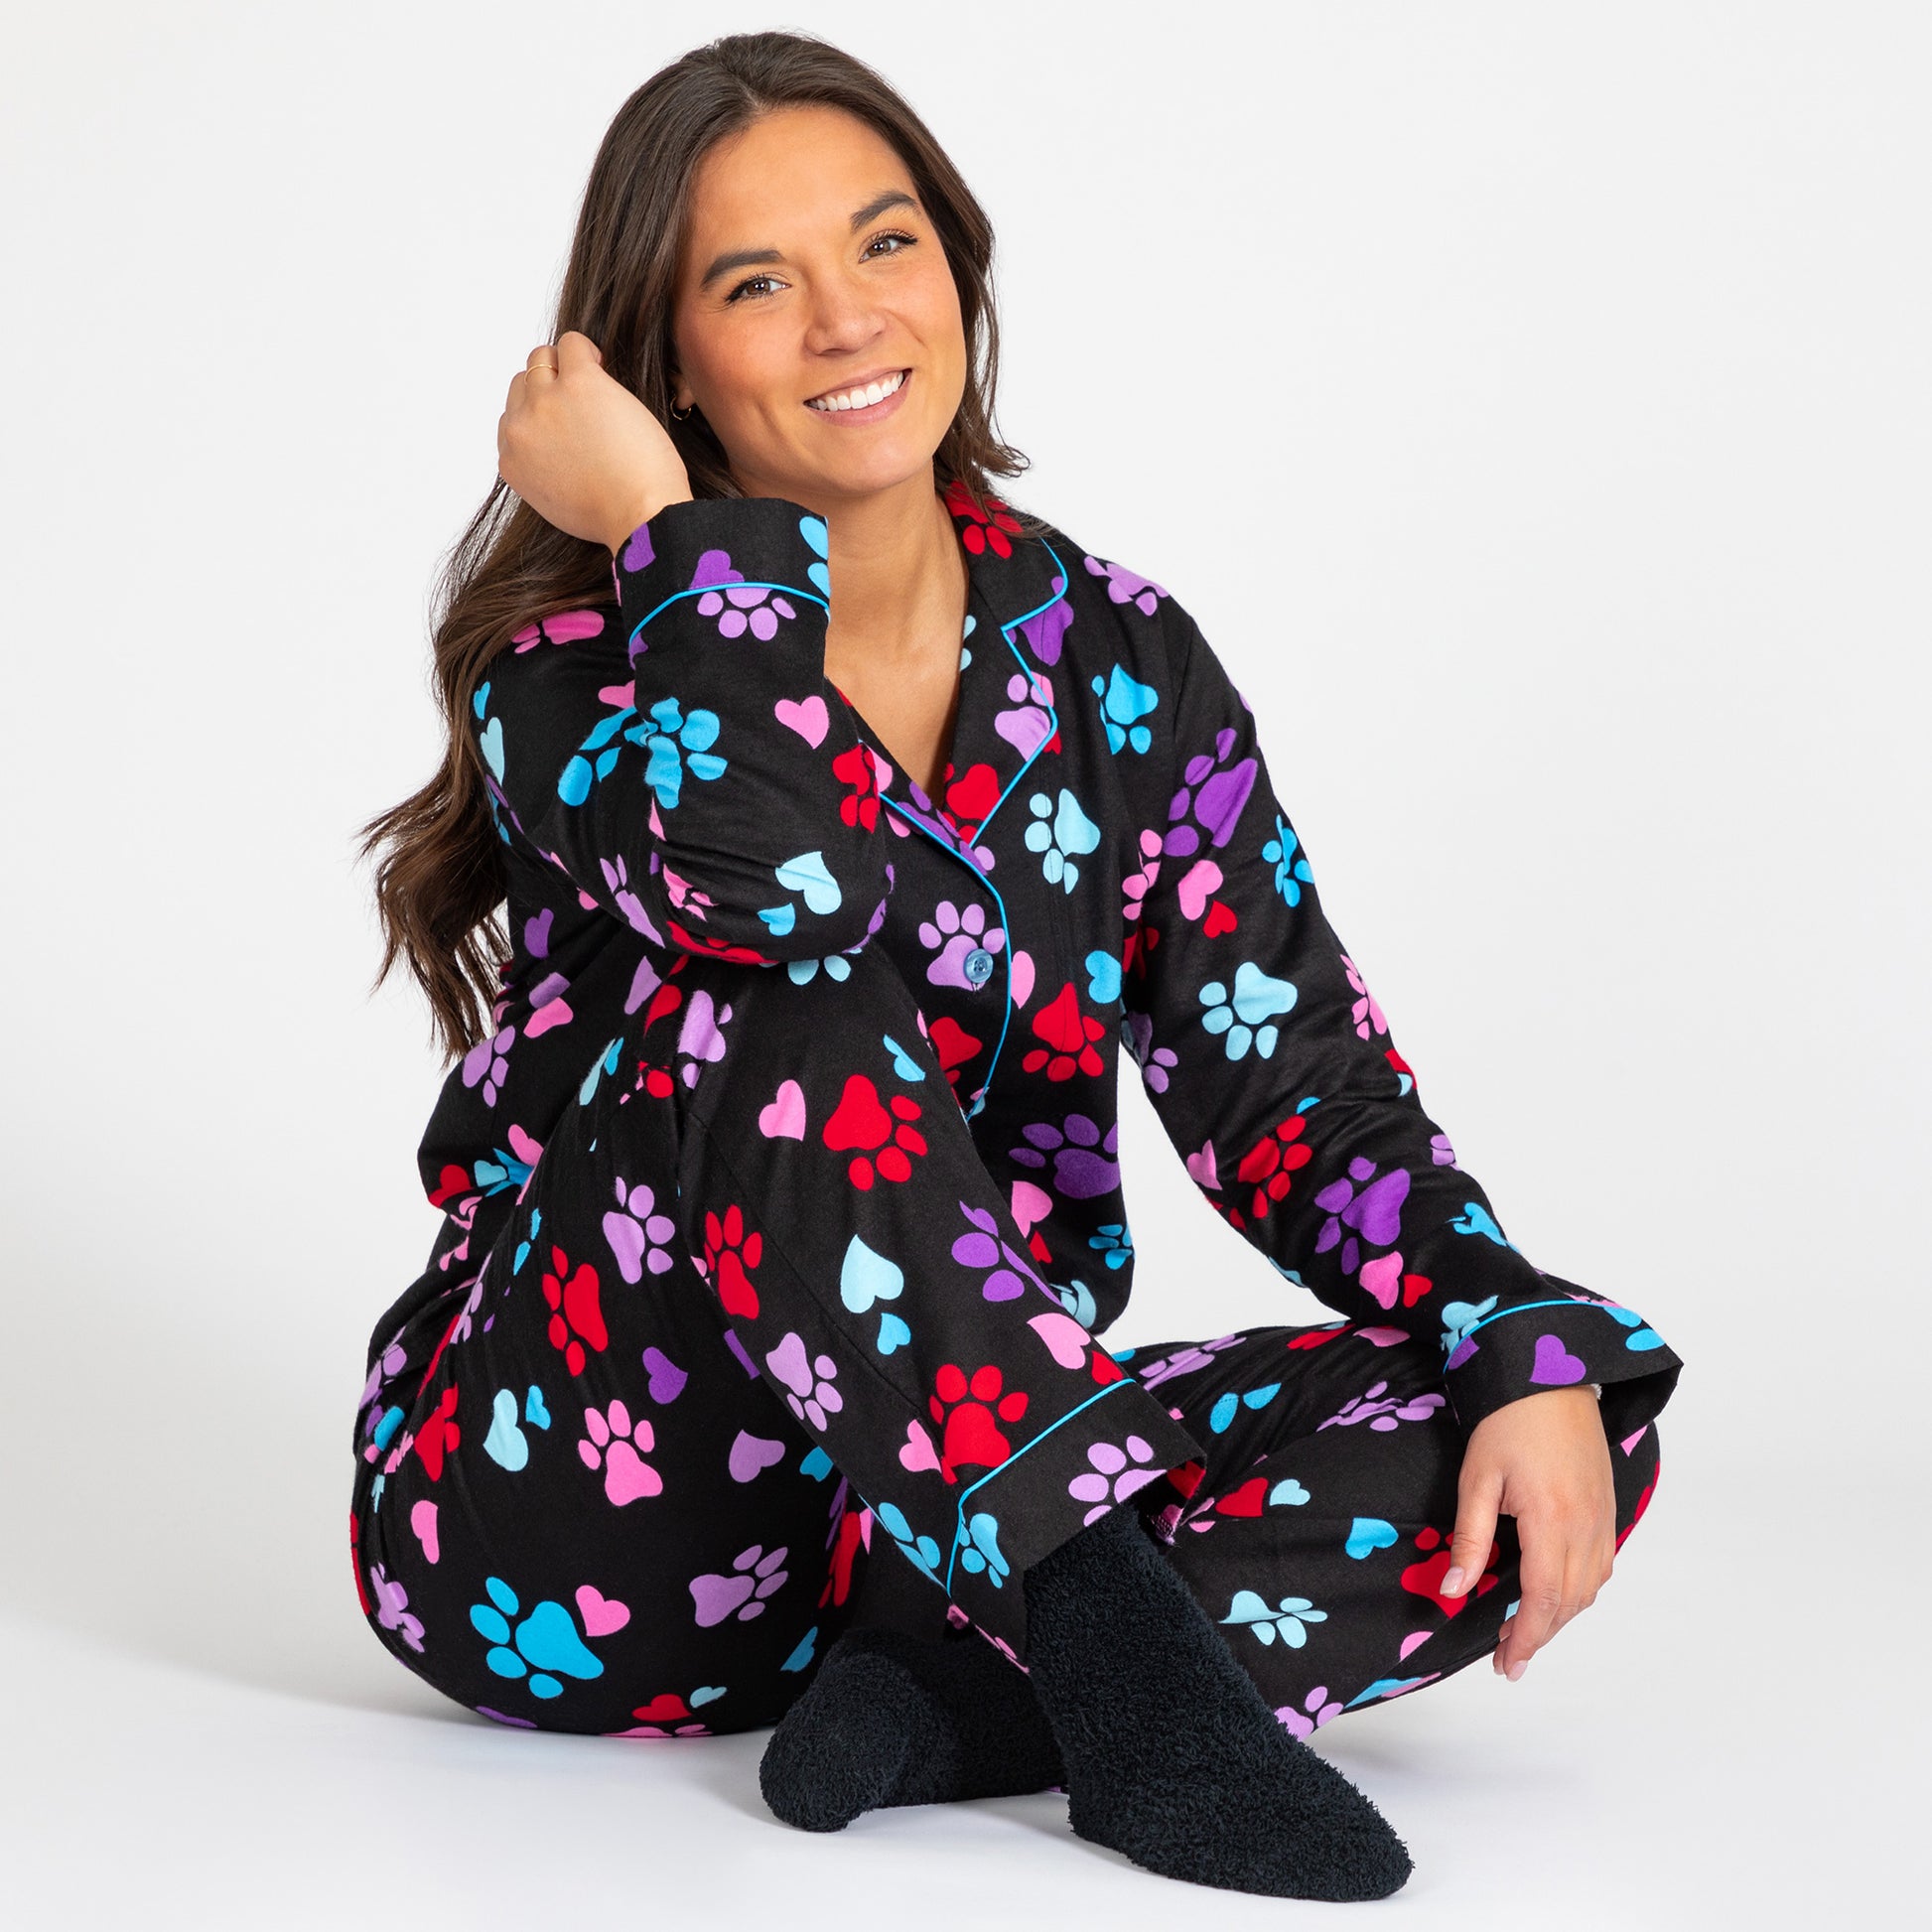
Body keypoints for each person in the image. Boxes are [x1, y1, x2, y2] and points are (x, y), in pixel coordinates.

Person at [352, 30, 1682, 1904]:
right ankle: (1123, 1680)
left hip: (945, 1517)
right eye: (756, 283)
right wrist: (666, 536)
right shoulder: (573, 662)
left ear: (956, 267)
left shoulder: (1120, 657)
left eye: (884, 242)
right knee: (783, 989)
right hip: (581, 1521)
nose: (846, 318)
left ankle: (954, 1703)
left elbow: (1292, 1088)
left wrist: (1503, 1330)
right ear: (669, 366)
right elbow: (777, 884)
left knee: (1540, 1425)